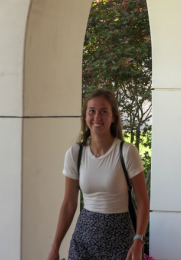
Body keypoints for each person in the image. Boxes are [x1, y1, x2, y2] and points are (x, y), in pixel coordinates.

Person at [47, 89, 150, 260]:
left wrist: (138, 241)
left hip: (120, 239)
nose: (97, 117)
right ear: (85, 116)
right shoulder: (75, 154)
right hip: (83, 241)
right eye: (92, 111)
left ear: (113, 117)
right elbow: (69, 204)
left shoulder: (126, 152)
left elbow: (142, 200)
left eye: (104, 111)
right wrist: (55, 247)